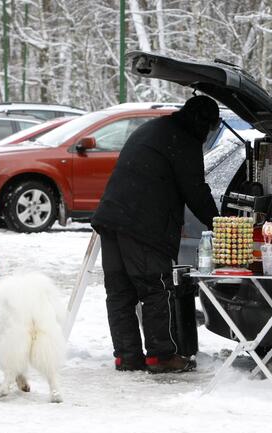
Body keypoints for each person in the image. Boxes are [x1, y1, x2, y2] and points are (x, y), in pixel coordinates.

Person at [91, 95, 220, 374]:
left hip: (112, 218)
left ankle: (126, 357)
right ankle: (161, 356)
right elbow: (195, 190)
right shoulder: (183, 140)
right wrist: (220, 224)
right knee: (155, 288)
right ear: (203, 123)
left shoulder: (156, 128)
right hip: (142, 224)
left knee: (120, 292)